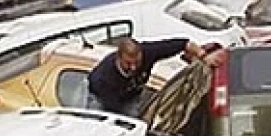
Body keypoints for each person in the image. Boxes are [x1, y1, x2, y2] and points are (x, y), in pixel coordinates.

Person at [86, 37, 223, 119]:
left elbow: (183, 43)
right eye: (128, 63)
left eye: (137, 63)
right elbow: (115, 111)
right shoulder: (104, 77)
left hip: (131, 95)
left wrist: (204, 56)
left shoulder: (149, 51)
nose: (134, 68)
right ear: (119, 57)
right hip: (102, 99)